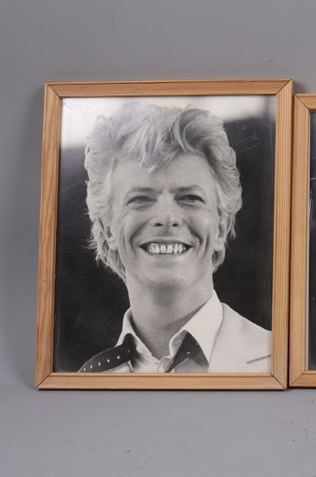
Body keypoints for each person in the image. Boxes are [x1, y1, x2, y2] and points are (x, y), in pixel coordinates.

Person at [78, 102, 271, 374]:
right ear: (108, 229)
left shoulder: (279, 360)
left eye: (190, 198)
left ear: (220, 228)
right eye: (140, 199)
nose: (167, 218)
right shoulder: (85, 382)